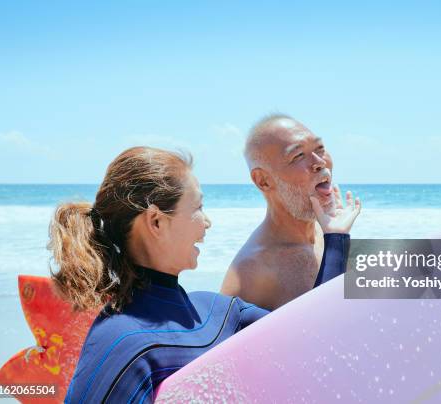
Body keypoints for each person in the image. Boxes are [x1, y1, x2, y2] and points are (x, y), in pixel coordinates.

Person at [51, 146, 361, 403]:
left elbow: (312, 337)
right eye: (198, 207)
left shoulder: (220, 313)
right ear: (156, 222)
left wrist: (334, 238)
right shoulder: (123, 343)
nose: (207, 222)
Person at [221, 114, 350, 310]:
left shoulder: (331, 230)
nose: (319, 162)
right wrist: (337, 243)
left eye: (320, 149)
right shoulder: (254, 271)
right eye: (298, 156)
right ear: (263, 180)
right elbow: (325, 329)